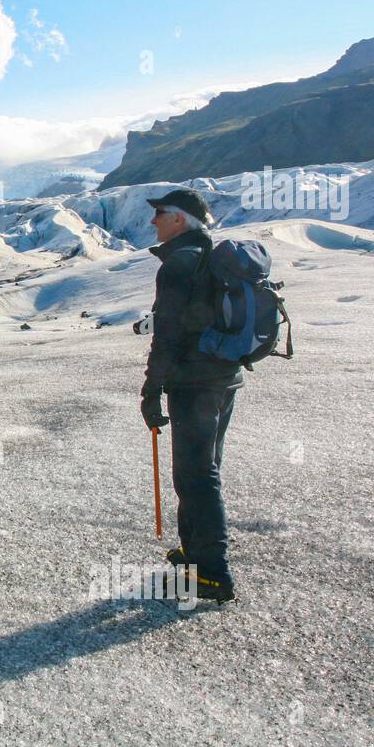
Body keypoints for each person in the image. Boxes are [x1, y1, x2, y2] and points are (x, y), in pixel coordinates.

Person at [138, 189, 243, 603]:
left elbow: (168, 334)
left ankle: (214, 574)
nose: (154, 222)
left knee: (196, 477)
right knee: (204, 469)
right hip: (223, 378)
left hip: (194, 383)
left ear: (180, 219)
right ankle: (195, 554)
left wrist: (152, 389)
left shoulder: (180, 264)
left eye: (160, 214)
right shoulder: (210, 257)